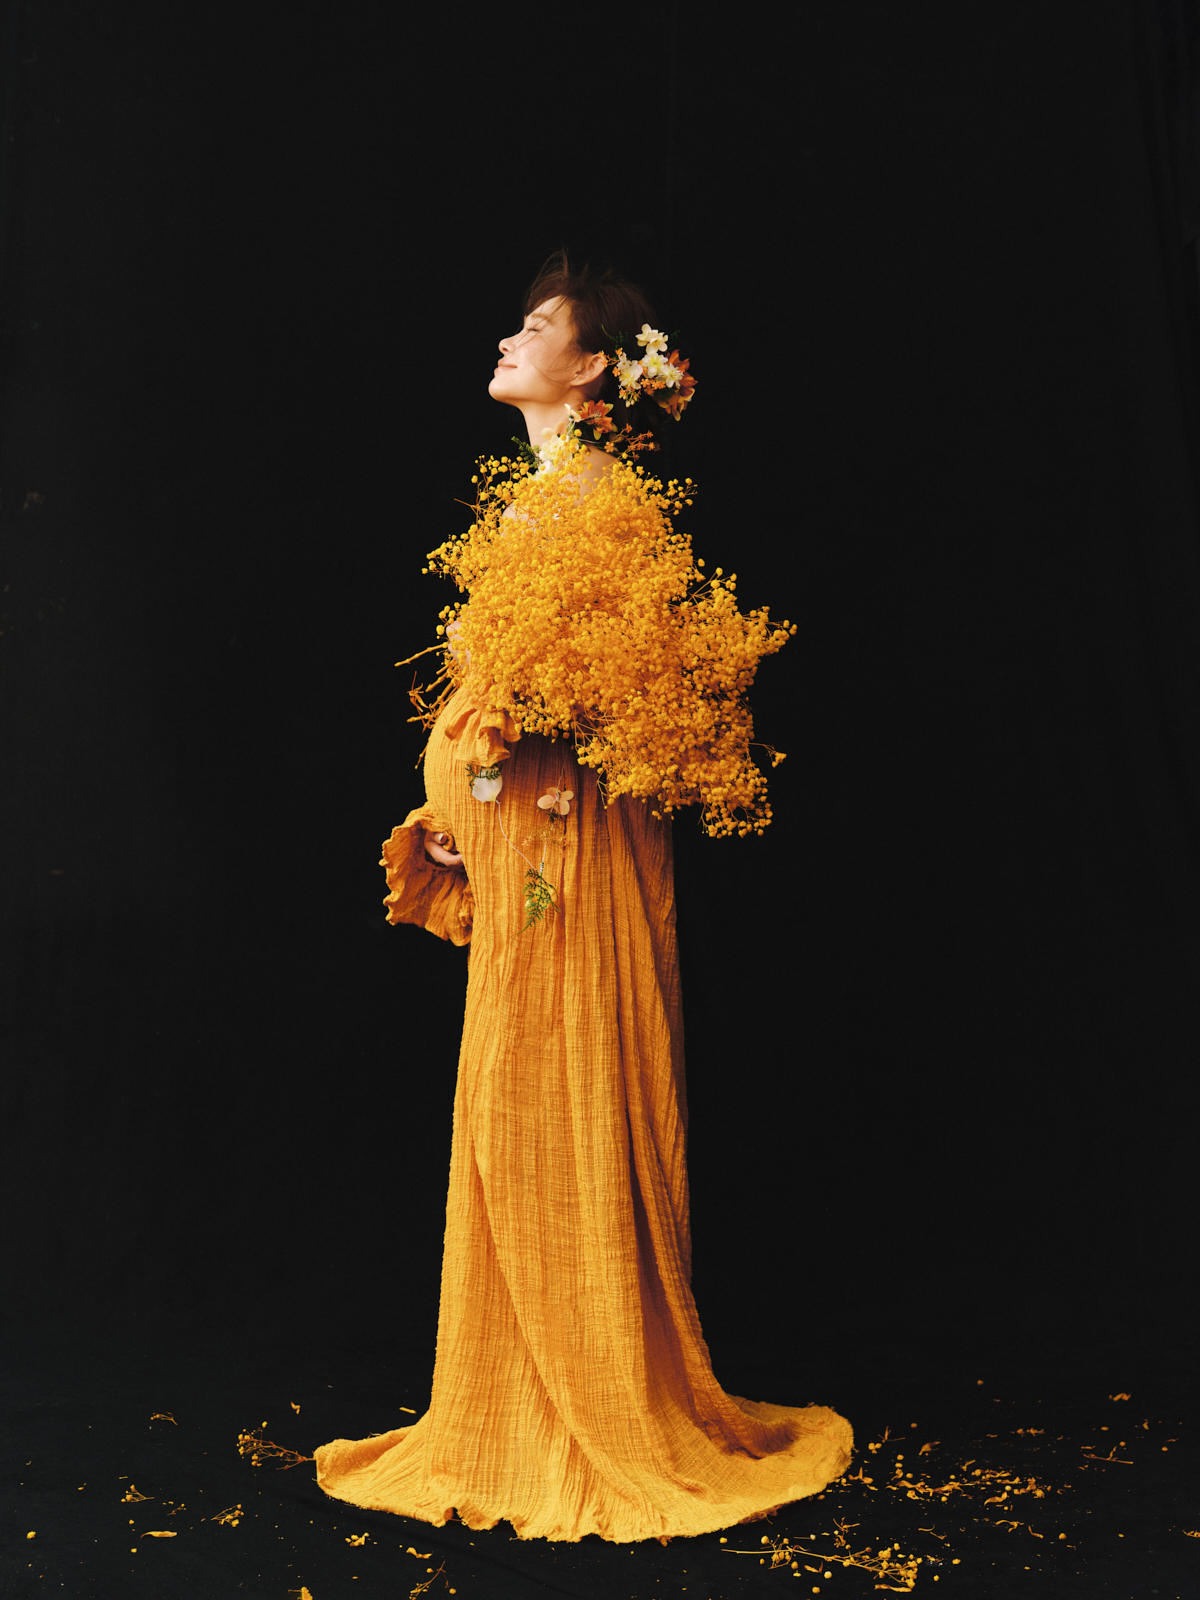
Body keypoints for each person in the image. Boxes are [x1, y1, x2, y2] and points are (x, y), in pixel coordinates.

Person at [312, 250, 853, 1544]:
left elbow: (618, 695)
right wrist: (460, 801)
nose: (508, 342)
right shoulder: (540, 502)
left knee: (559, 1080)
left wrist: (513, 725)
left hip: (568, 856)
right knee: (516, 1093)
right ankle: (509, 1392)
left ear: (594, 365)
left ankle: (585, 1396)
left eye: (536, 327)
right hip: (519, 844)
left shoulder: (603, 502)